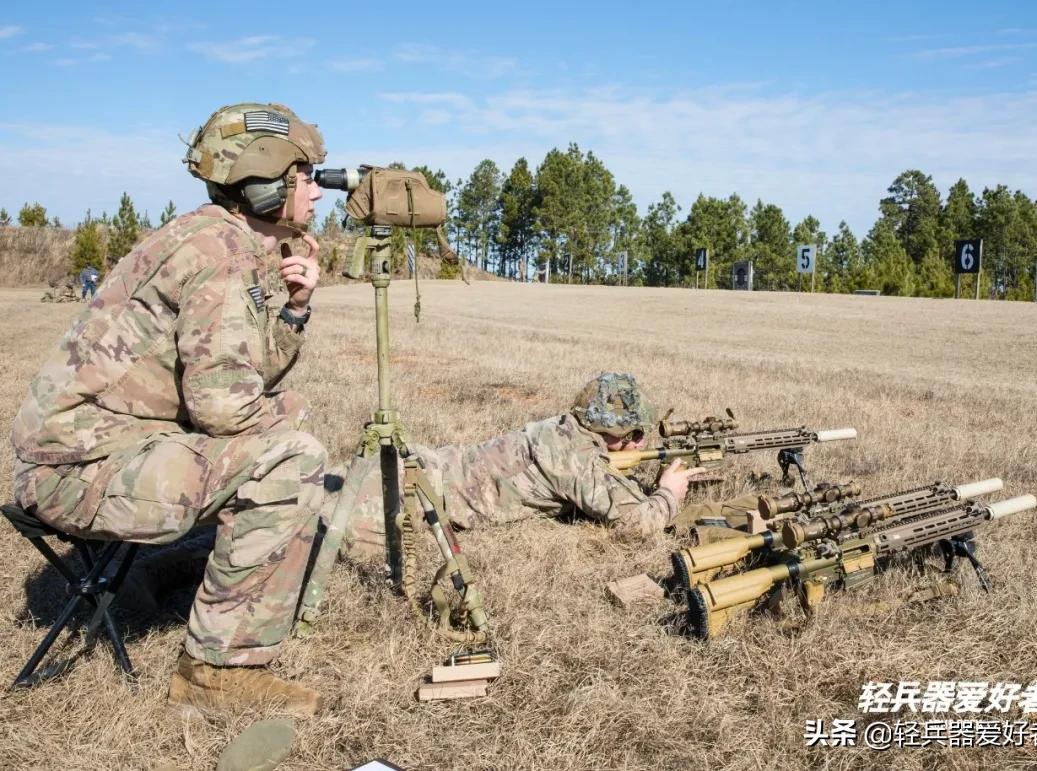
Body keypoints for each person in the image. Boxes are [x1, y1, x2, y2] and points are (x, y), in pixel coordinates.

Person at [11, 102, 328, 717]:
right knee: (292, 460)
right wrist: (282, 431)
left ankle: (162, 580)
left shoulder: (218, 237)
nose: (317, 192)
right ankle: (215, 673)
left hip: (96, 450)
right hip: (74, 471)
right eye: (306, 177)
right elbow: (225, 408)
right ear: (266, 185)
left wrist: (292, 311)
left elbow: (242, 372)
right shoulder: (217, 253)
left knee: (285, 428)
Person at [342, 372, 706, 560]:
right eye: (635, 433)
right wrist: (668, 495)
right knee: (322, 534)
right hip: (412, 500)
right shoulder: (576, 460)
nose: (640, 442)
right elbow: (635, 525)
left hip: (423, 465)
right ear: (615, 429)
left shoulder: (564, 428)